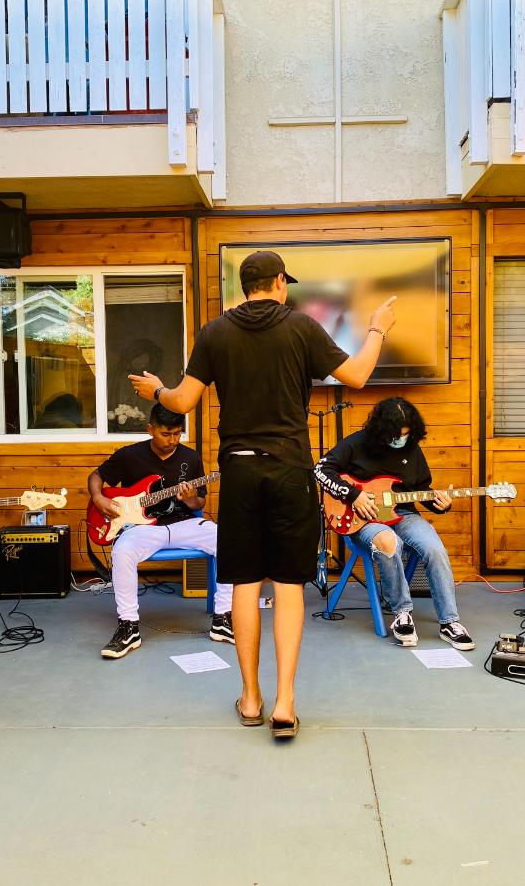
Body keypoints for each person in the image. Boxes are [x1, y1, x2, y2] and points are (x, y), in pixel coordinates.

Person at [130, 249, 397, 739]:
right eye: (285, 283)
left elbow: (182, 401)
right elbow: (357, 377)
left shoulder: (215, 331)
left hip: (238, 473)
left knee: (246, 585)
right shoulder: (300, 328)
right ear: (277, 282)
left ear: (243, 285)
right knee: (290, 586)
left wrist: (156, 391)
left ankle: (250, 697)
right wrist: (378, 327)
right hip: (290, 469)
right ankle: (285, 703)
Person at [314, 397, 474, 650]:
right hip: (364, 520)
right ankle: (402, 613)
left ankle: (449, 622)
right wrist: (353, 495)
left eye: (407, 434)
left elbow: (421, 490)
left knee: (435, 549)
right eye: (396, 435)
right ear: (381, 431)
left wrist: (441, 504)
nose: (401, 439)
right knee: (389, 542)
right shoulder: (357, 443)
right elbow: (321, 470)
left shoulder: (412, 448)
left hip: (404, 514)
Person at [88, 403, 233, 658]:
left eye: (177, 433)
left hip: (184, 524)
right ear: (150, 429)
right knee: (121, 551)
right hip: (143, 528)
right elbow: (96, 477)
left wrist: (190, 499)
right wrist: (99, 499)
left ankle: (223, 618)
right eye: (166, 434)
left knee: (229, 540)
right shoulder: (129, 455)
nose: (172, 440)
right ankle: (129, 626)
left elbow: (200, 503)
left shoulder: (191, 458)